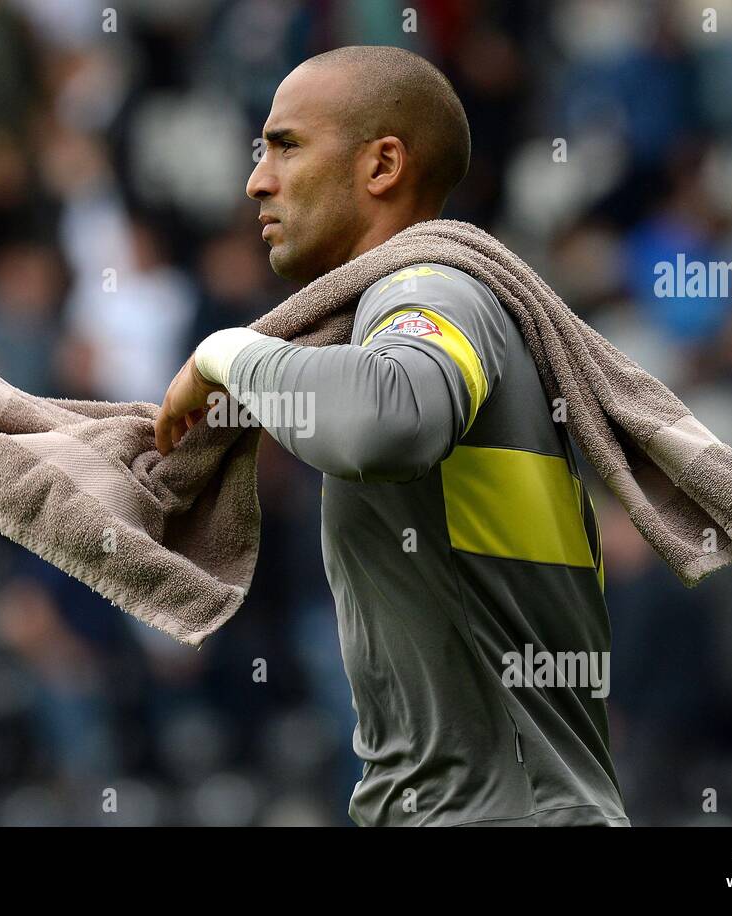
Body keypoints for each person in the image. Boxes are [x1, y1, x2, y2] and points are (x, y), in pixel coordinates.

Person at [155, 46, 626, 826]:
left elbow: (391, 421)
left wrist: (225, 353)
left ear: (382, 166)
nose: (257, 179)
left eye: (286, 144)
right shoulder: (416, 308)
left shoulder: (428, 287)